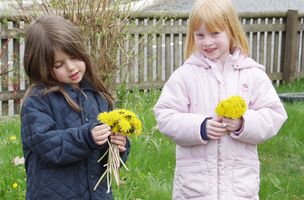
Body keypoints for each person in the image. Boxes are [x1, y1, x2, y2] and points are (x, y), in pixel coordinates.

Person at [153, 0, 288, 199]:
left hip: (239, 187)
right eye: (200, 35)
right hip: (195, 188)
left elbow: (274, 114)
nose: (207, 42)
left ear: (231, 31)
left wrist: (243, 123)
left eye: (215, 33)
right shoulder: (185, 75)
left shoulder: (252, 74)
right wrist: (199, 127)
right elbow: (165, 115)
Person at [20, 14, 130, 200]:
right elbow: (49, 146)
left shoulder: (97, 96)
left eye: (74, 57)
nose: (71, 67)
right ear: (41, 67)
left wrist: (118, 147)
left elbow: (104, 160)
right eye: (59, 64)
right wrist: (87, 137)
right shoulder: (37, 101)